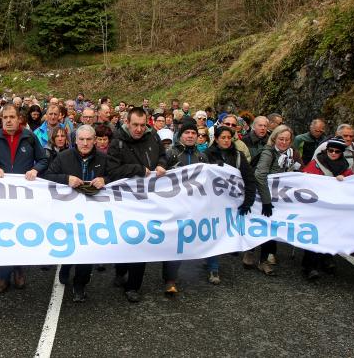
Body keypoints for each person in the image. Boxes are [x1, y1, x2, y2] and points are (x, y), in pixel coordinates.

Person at [43, 125, 118, 303]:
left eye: (89, 139)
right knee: (71, 243)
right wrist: (65, 179)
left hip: (94, 213)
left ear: (95, 141)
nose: (85, 143)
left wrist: (105, 180)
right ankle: (66, 267)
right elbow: (47, 176)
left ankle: (80, 285)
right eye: (81, 139)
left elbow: (117, 177)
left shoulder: (104, 158)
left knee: (88, 249)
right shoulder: (63, 157)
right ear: (75, 140)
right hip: (68, 212)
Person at [107, 107, 167, 303]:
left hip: (148, 201)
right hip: (124, 201)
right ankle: (120, 270)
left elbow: (164, 156)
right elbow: (113, 171)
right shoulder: (117, 141)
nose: (139, 129)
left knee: (141, 242)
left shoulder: (154, 137)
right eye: (135, 125)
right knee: (125, 240)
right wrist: (138, 169)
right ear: (127, 122)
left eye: (142, 125)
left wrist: (162, 164)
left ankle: (133, 286)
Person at [0, 104, 48, 292]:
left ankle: (19, 270)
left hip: (23, 195)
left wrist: (35, 170)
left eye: (11, 117)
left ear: (19, 118)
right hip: (0, 195)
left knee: (20, 232)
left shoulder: (29, 137)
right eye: (5, 117)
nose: (8, 120)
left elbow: (44, 159)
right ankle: (3, 275)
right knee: (2, 233)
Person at [164, 123, 220, 288]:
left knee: (194, 237)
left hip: (195, 205)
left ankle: (211, 267)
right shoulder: (170, 153)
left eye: (193, 133)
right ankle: (170, 279)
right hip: (175, 205)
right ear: (180, 135)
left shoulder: (202, 156)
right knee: (175, 241)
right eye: (186, 133)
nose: (190, 136)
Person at [203, 125, 257, 284]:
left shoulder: (239, 156)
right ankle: (213, 267)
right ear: (216, 139)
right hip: (211, 202)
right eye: (223, 138)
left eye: (229, 138)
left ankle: (212, 258)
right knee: (213, 233)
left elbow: (249, 179)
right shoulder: (206, 155)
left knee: (223, 233)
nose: (226, 141)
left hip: (232, 203)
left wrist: (248, 201)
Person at [301, 137, 354, 280]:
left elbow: (353, 184)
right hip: (316, 206)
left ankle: (327, 258)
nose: (334, 153)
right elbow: (305, 180)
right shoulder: (316, 164)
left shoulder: (345, 168)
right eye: (331, 150)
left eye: (337, 151)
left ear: (341, 153)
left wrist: (345, 181)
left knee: (329, 233)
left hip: (333, 208)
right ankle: (310, 265)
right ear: (326, 150)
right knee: (314, 234)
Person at [252, 125, 302, 275]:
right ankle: (252, 252)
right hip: (264, 198)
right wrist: (267, 201)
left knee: (272, 228)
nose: (284, 142)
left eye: (287, 139)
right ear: (274, 138)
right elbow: (260, 175)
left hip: (280, 199)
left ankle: (263, 260)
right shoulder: (268, 153)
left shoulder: (292, 154)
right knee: (262, 226)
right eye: (281, 139)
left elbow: (302, 171)